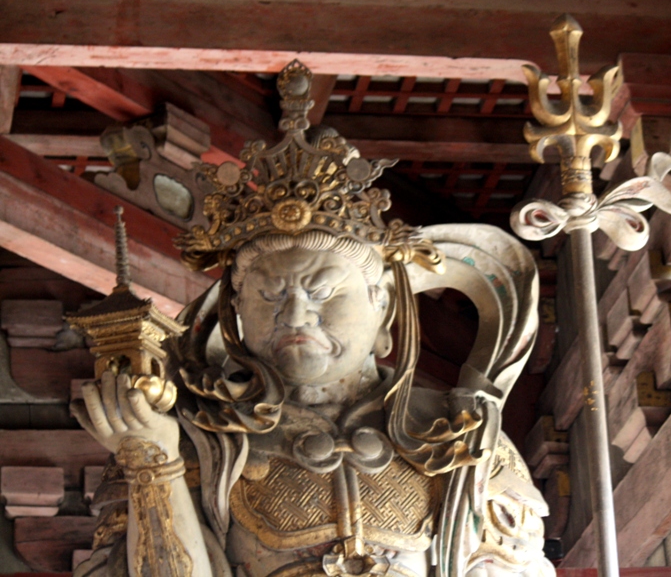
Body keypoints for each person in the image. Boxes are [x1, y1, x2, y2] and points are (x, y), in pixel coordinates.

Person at [72, 61, 555, 577]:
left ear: (384, 310)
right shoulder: (193, 437)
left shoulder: (462, 437)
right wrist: (153, 460)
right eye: (269, 295)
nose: (297, 313)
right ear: (234, 315)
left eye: (324, 292)